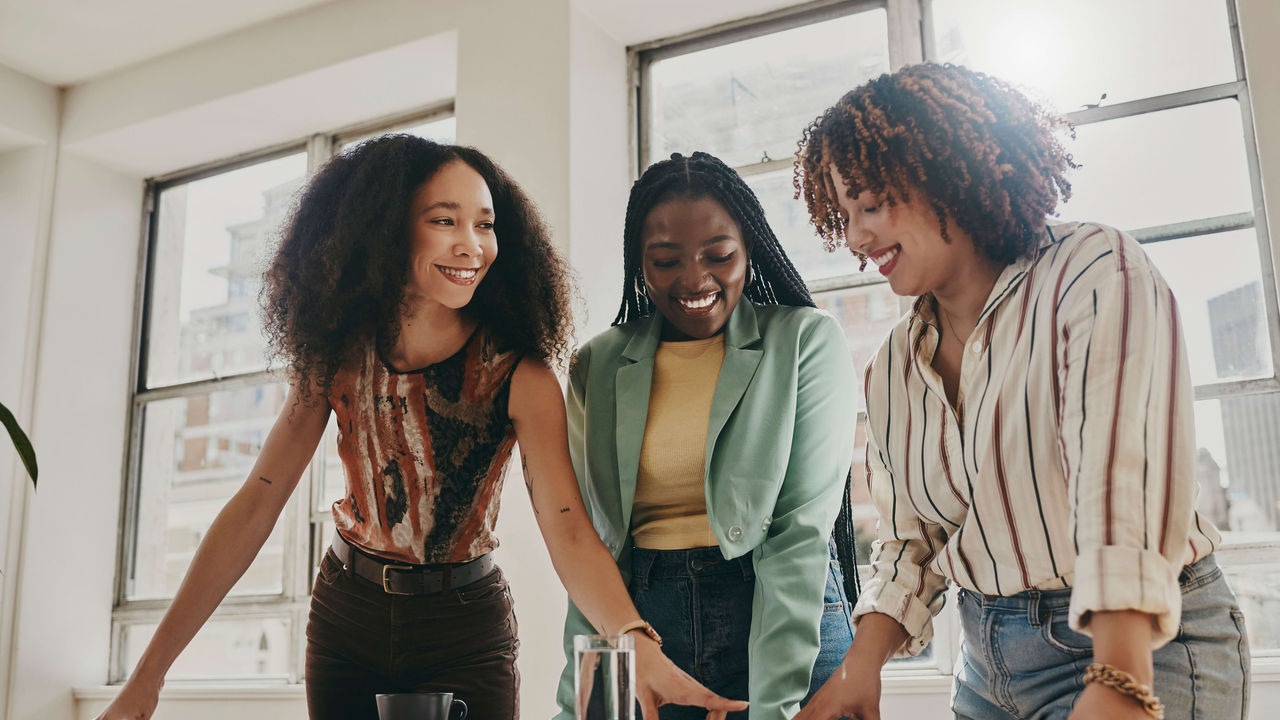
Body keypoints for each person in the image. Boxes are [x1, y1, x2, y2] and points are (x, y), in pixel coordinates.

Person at [97, 135, 745, 720]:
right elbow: (256, 505)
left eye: (485, 224)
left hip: (465, 626)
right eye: (445, 221)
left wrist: (634, 640)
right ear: (386, 232)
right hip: (347, 613)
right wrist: (146, 680)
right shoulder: (337, 359)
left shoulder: (521, 376)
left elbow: (570, 529)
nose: (472, 244)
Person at [792, 63, 1250, 720]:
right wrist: (856, 671)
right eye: (844, 215)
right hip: (987, 666)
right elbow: (911, 543)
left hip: (1143, 641)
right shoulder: (891, 365)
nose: (857, 238)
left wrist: (1120, 676)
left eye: (870, 204)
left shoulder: (1092, 271)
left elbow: (1122, 486)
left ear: (943, 170)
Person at [556, 151, 861, 720]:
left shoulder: (804, 343)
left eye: (719, 255)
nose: (695, 279)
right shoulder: (597, 365)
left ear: (749, 246)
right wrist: (582, 694)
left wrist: (777, 710)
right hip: (649, 628)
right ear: (638, 263)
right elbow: (594, 542)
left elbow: (798, 538)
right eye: (666, 260)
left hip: (782, 617)